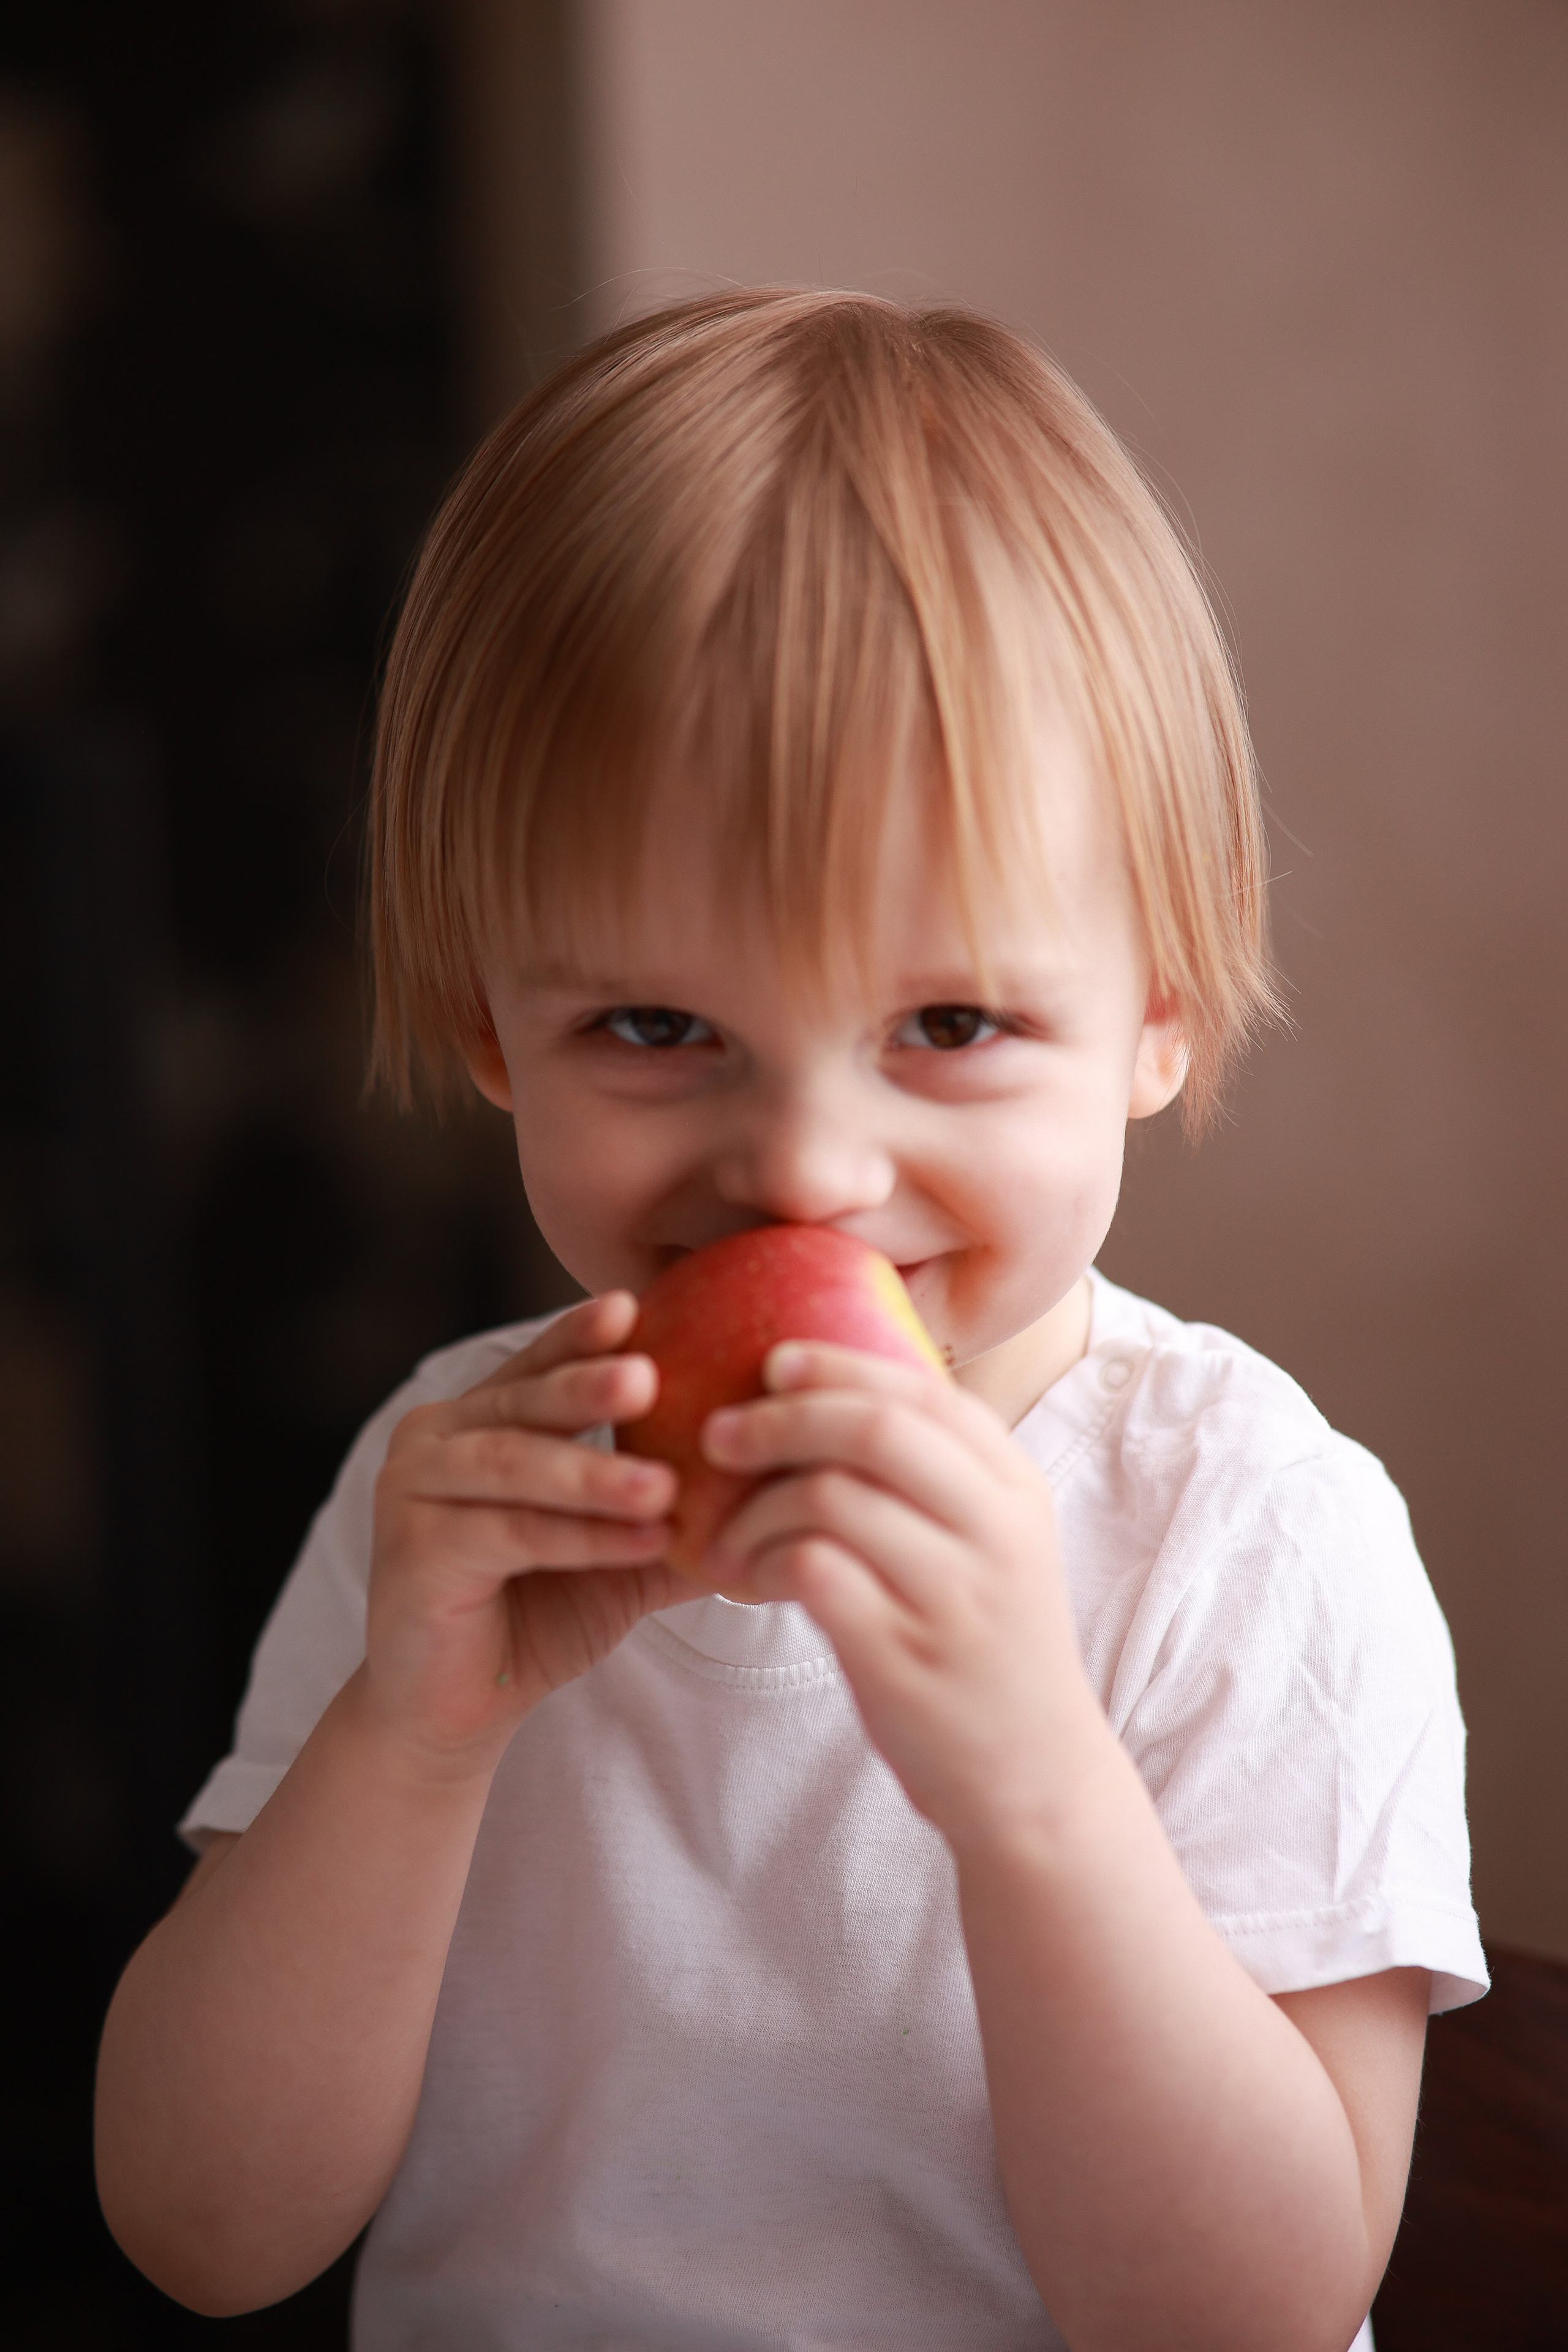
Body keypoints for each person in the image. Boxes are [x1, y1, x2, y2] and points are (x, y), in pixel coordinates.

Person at [94, 291, 1485, 2352]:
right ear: (497, 1026)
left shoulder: (1244, 1530)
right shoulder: (460, 1482)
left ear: (1157, 1012)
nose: (810, 1173)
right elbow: (205, 2236)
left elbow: (1253, 2318)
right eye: (659, 1027)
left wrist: (1031, 1782)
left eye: (950, 1024)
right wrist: (407, 1739)